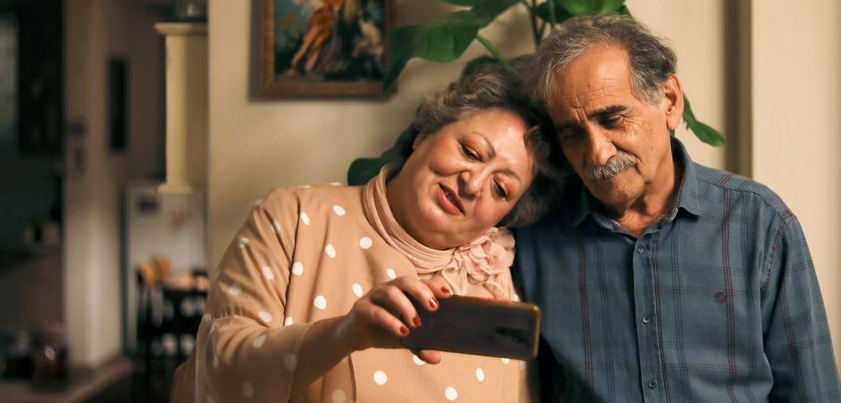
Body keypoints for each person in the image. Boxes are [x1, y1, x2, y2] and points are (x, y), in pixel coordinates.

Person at [171, 66, 561, 402]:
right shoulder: (293, 215)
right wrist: (343, 334)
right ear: (425, 133)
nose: (474, 184)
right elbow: (218, 376)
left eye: (501, 189)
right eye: (472, 152)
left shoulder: (496, 279)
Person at [513, 14, 841, 402]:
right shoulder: (532, 231)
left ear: (669, 102)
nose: (597, 153)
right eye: (572, 134)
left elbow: (812, 393)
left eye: (612, 119)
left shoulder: (760, 224)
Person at [289, 0, 347, 77]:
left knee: (316, 44)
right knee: (310, 42)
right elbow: (335, 2)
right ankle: (296, 66)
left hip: (326, 19)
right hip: (323, 18)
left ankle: (305, 68)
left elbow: (334, 3)